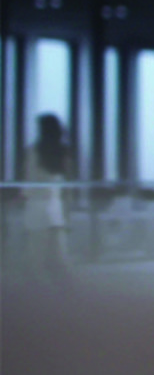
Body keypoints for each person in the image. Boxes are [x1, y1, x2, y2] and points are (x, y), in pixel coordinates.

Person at [20, 112, 75, 284]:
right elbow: (67, 182)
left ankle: (38, 290)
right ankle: (67, 290)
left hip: (37, 203)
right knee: (59, 251)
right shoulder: (62, 152)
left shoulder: (34, 151)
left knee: (36, 251)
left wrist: (24, 196)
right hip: (54, 205)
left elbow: (29, 178)